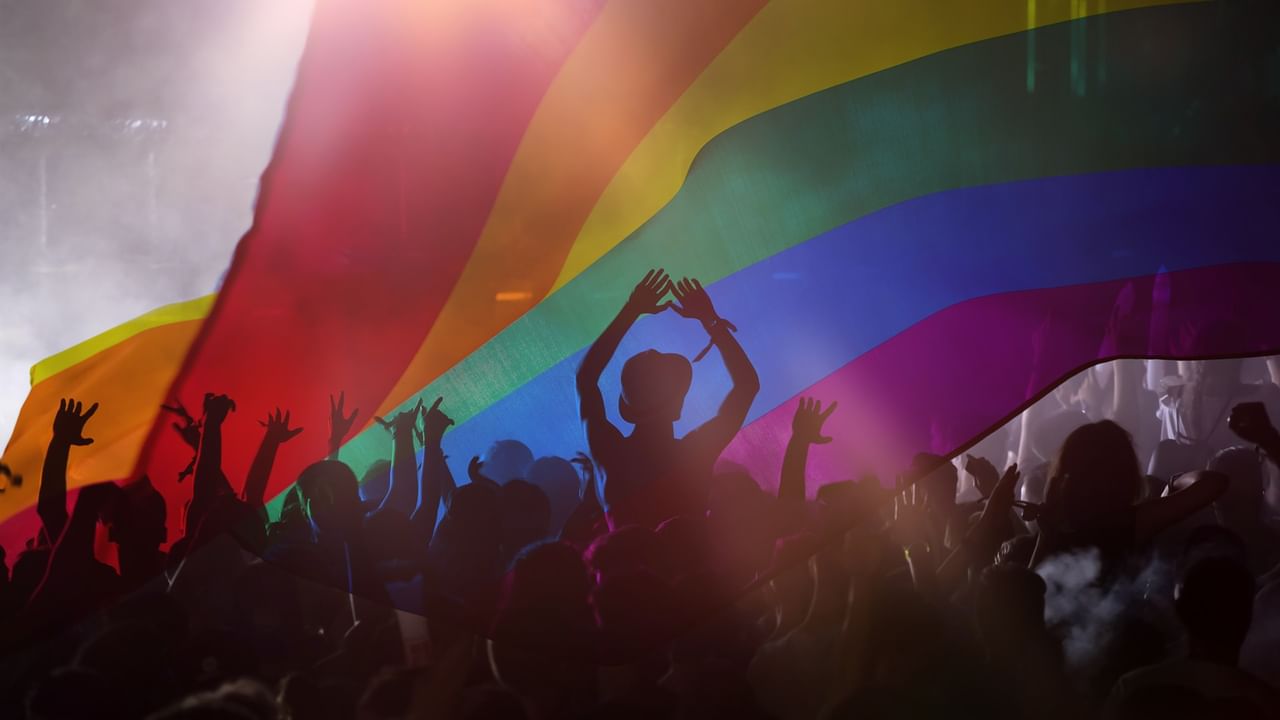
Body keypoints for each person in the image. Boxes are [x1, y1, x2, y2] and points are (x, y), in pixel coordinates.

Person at [576, 270, 759, 529]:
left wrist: (632, 310)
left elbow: (585, 378)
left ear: (627, 407)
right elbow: (747, 385)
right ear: (678, 405)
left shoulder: (610, 453)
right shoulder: (694, 454)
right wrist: (710, 320)